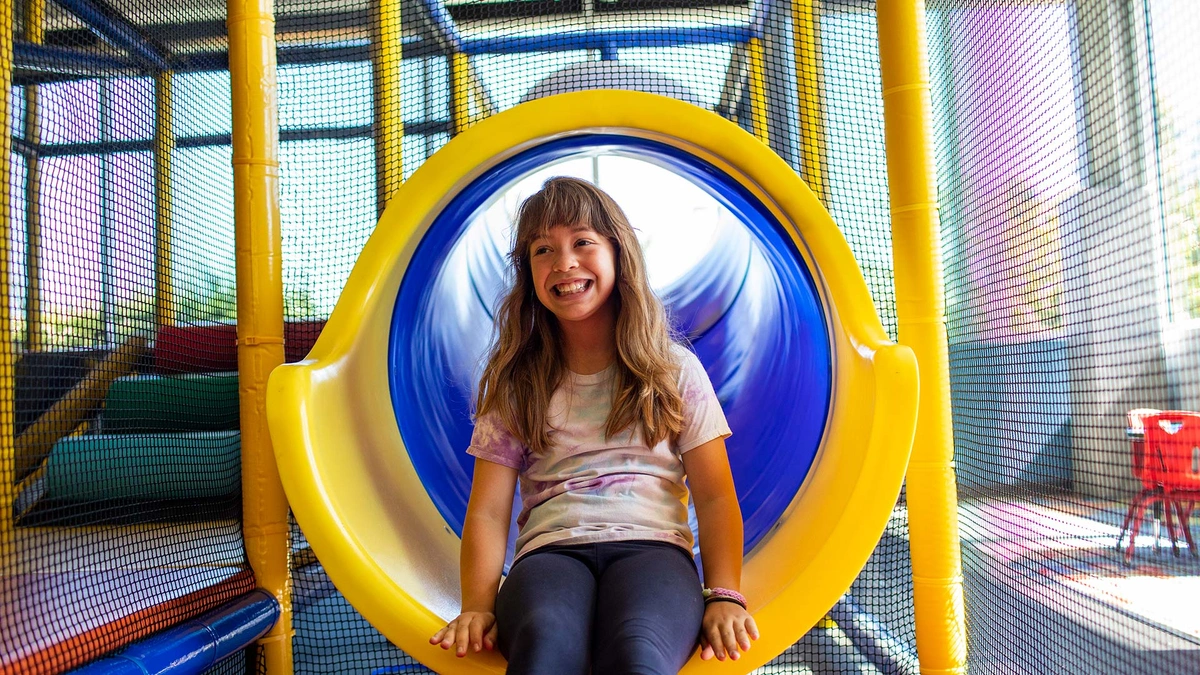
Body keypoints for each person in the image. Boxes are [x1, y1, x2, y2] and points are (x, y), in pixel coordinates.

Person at [430, 176, 758, 674]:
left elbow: (714, 496)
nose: (564, 263)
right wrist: (477, 605)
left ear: (618, 254)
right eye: (543, 250)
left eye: (582, 242)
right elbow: (489, 512)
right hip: (550, 553)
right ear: (528, 274)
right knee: (545, 646)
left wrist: (725, 595)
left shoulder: (672, 371)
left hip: (653, 550)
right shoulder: (517, 383)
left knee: (637, 653)